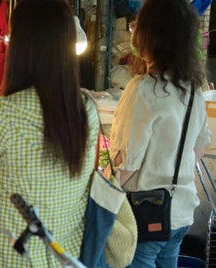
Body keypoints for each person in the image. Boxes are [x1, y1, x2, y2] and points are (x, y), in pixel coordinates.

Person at [0, 0, 99, 266]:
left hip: (14, 257)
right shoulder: (86, 110)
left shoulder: (3, 113)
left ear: (20, 48)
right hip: (67, 257)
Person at [110, 0, 211, 266]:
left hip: (146, 214)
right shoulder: (192, 90)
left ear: (148, 35)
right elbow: (199, 148)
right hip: (181, 211)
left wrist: (103, 188)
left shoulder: (142, 89)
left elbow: (127, 163)